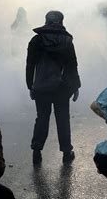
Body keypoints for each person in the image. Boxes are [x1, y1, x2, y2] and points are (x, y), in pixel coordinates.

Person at [26, 10, 81, 164]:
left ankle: (37, 151)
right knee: (63, 119)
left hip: (41, 87)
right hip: (62, 88)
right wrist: (76, 86)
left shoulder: (36, 40)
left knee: (42, 118)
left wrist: (30, 85)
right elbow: (72, 65)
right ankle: (66, 152)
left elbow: (30, 65)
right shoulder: (67, 41)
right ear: (61, 21)